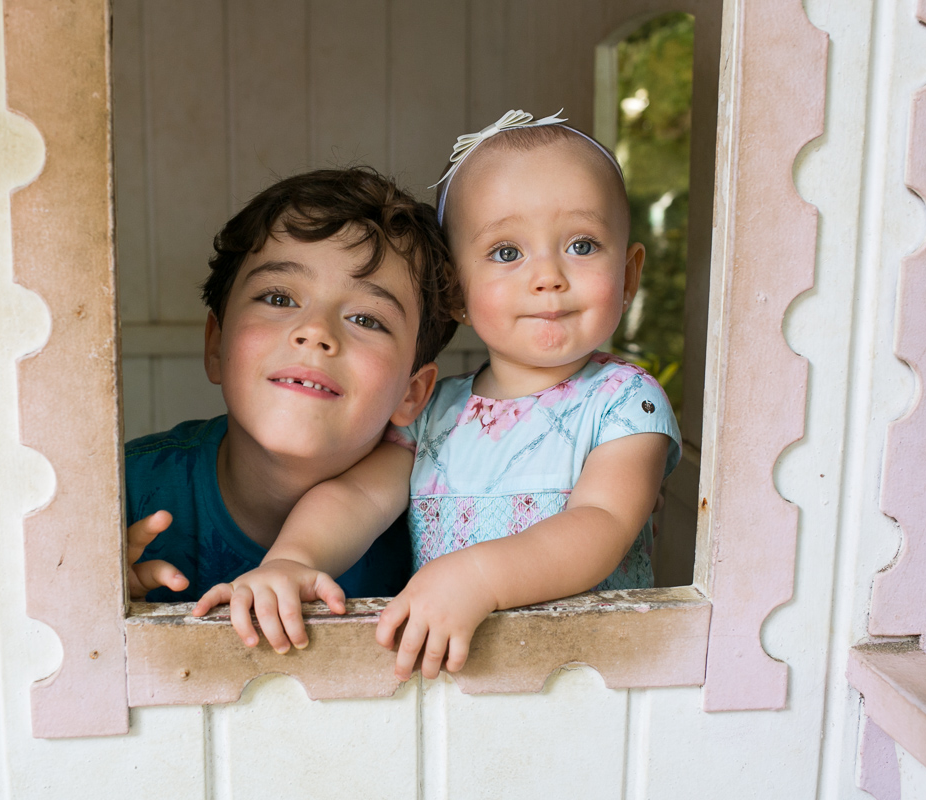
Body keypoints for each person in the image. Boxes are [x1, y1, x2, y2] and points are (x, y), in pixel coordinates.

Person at [195, 110, 681, 677]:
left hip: (590, 674)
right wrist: (292, 560)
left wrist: (477, 579)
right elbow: (356, 498)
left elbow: (601, 523)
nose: (547, 275)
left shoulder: (627, 402)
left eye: (581, 244)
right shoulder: (438, 413)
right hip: (455, 678)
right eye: (506, 253)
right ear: (456, 293)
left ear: (629, 275)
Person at [125, 167, 459, 644]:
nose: (316, 332)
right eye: (279, 297)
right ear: (216, 345)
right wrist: (92, 598)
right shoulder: (119, 496)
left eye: (366, 318)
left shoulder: (447, 517)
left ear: (412, 393)